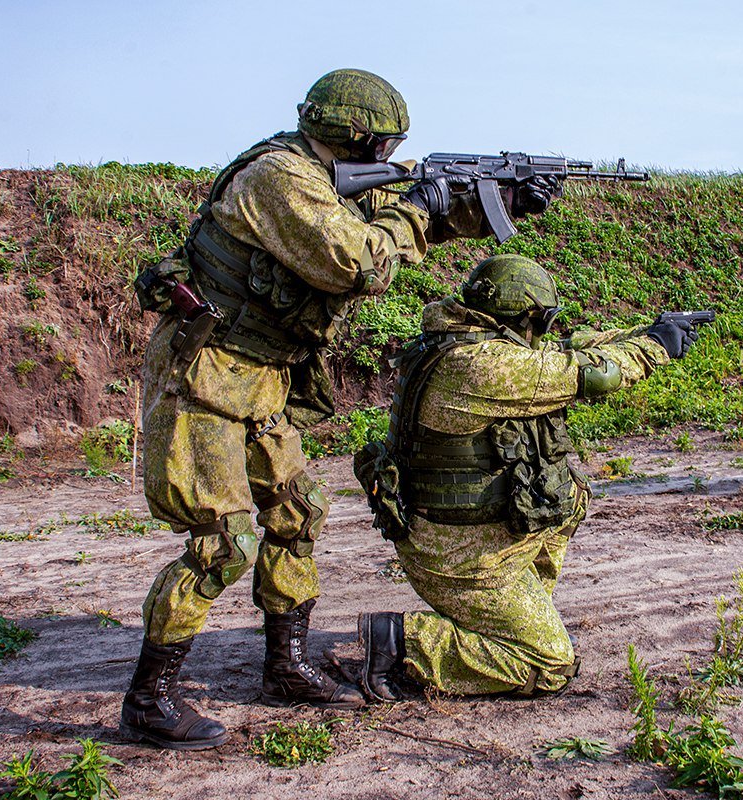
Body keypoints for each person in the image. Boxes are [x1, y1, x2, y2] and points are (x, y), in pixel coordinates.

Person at [122, 69, 554, 750]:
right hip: (205, 374)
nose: (388, 156)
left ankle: (285, 667)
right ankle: (149, 700)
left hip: (262, 375)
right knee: (220, 544)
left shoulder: (324, 177)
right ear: (359, 136)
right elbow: (362, 263)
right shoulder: (281, 180)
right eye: (385, 145)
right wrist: (417, 205)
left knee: (296, 517)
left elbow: (408, 224)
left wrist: (492, 205)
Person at [352, 253, 702, 700]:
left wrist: (651, 329)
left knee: (567, 494)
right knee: (551, 664)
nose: (546, 333)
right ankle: (401, 642)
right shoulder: (485, 367)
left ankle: (524, 608)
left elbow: (572, 345)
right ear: (524, 317)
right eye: (543, 321)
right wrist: (656, 347)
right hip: (462, 561)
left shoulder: (461, 343)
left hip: (458, 540)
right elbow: (593, 372)